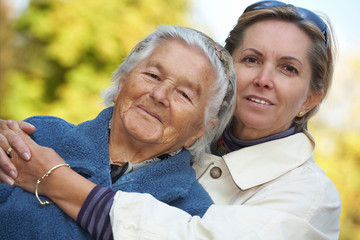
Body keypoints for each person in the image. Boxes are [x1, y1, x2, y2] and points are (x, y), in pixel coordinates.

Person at [0, 1, 341, 239]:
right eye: (251, 59)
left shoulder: (310, 196)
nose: (264, 78)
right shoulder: (40, 136)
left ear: (310, 98)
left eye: (288, 68)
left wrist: (56, 180)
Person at [0, 25, 236, 240]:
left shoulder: (193, 216)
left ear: (201, 129)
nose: (159, 95)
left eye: (184, 94)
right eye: (153, 76)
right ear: (123, 81)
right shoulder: (38, 136)